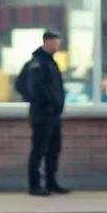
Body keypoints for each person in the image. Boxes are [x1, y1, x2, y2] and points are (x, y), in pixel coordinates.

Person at [24, 30, 69, 196]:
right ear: (47, 42)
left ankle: (51, 182)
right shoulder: (38, 62)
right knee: (39, 149)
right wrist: (45, 104)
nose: (58, 45)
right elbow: (29, 86)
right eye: (56, 42)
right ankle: (34, 185)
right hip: (42, 115)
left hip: (53, 114)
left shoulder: (50, 62)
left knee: (53, 149)